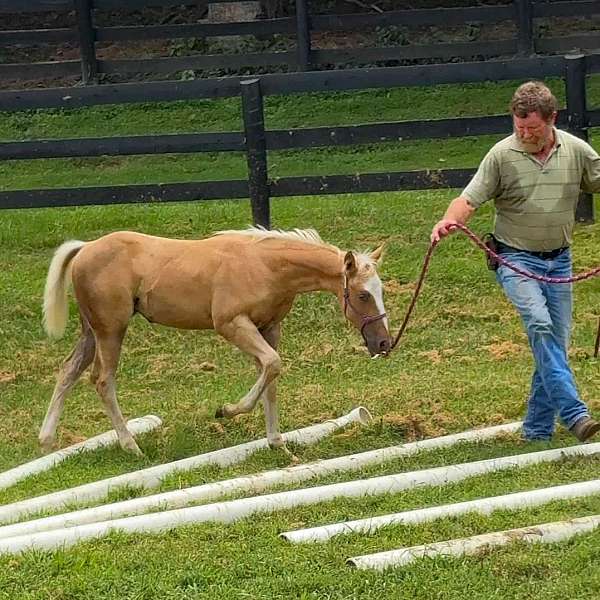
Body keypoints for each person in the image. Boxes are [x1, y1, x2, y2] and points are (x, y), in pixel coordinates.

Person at [431, 80, 600, 442]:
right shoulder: (501, 155)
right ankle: (575, 413)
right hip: (515, 260)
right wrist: (448, 220)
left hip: (561, 262)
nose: (524, 134)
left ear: (552, 119)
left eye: (533, 128)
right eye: (519, 127)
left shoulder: (576, 151)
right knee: (540, 327)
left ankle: (537, 432)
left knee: (553, 342)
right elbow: (469, 199)